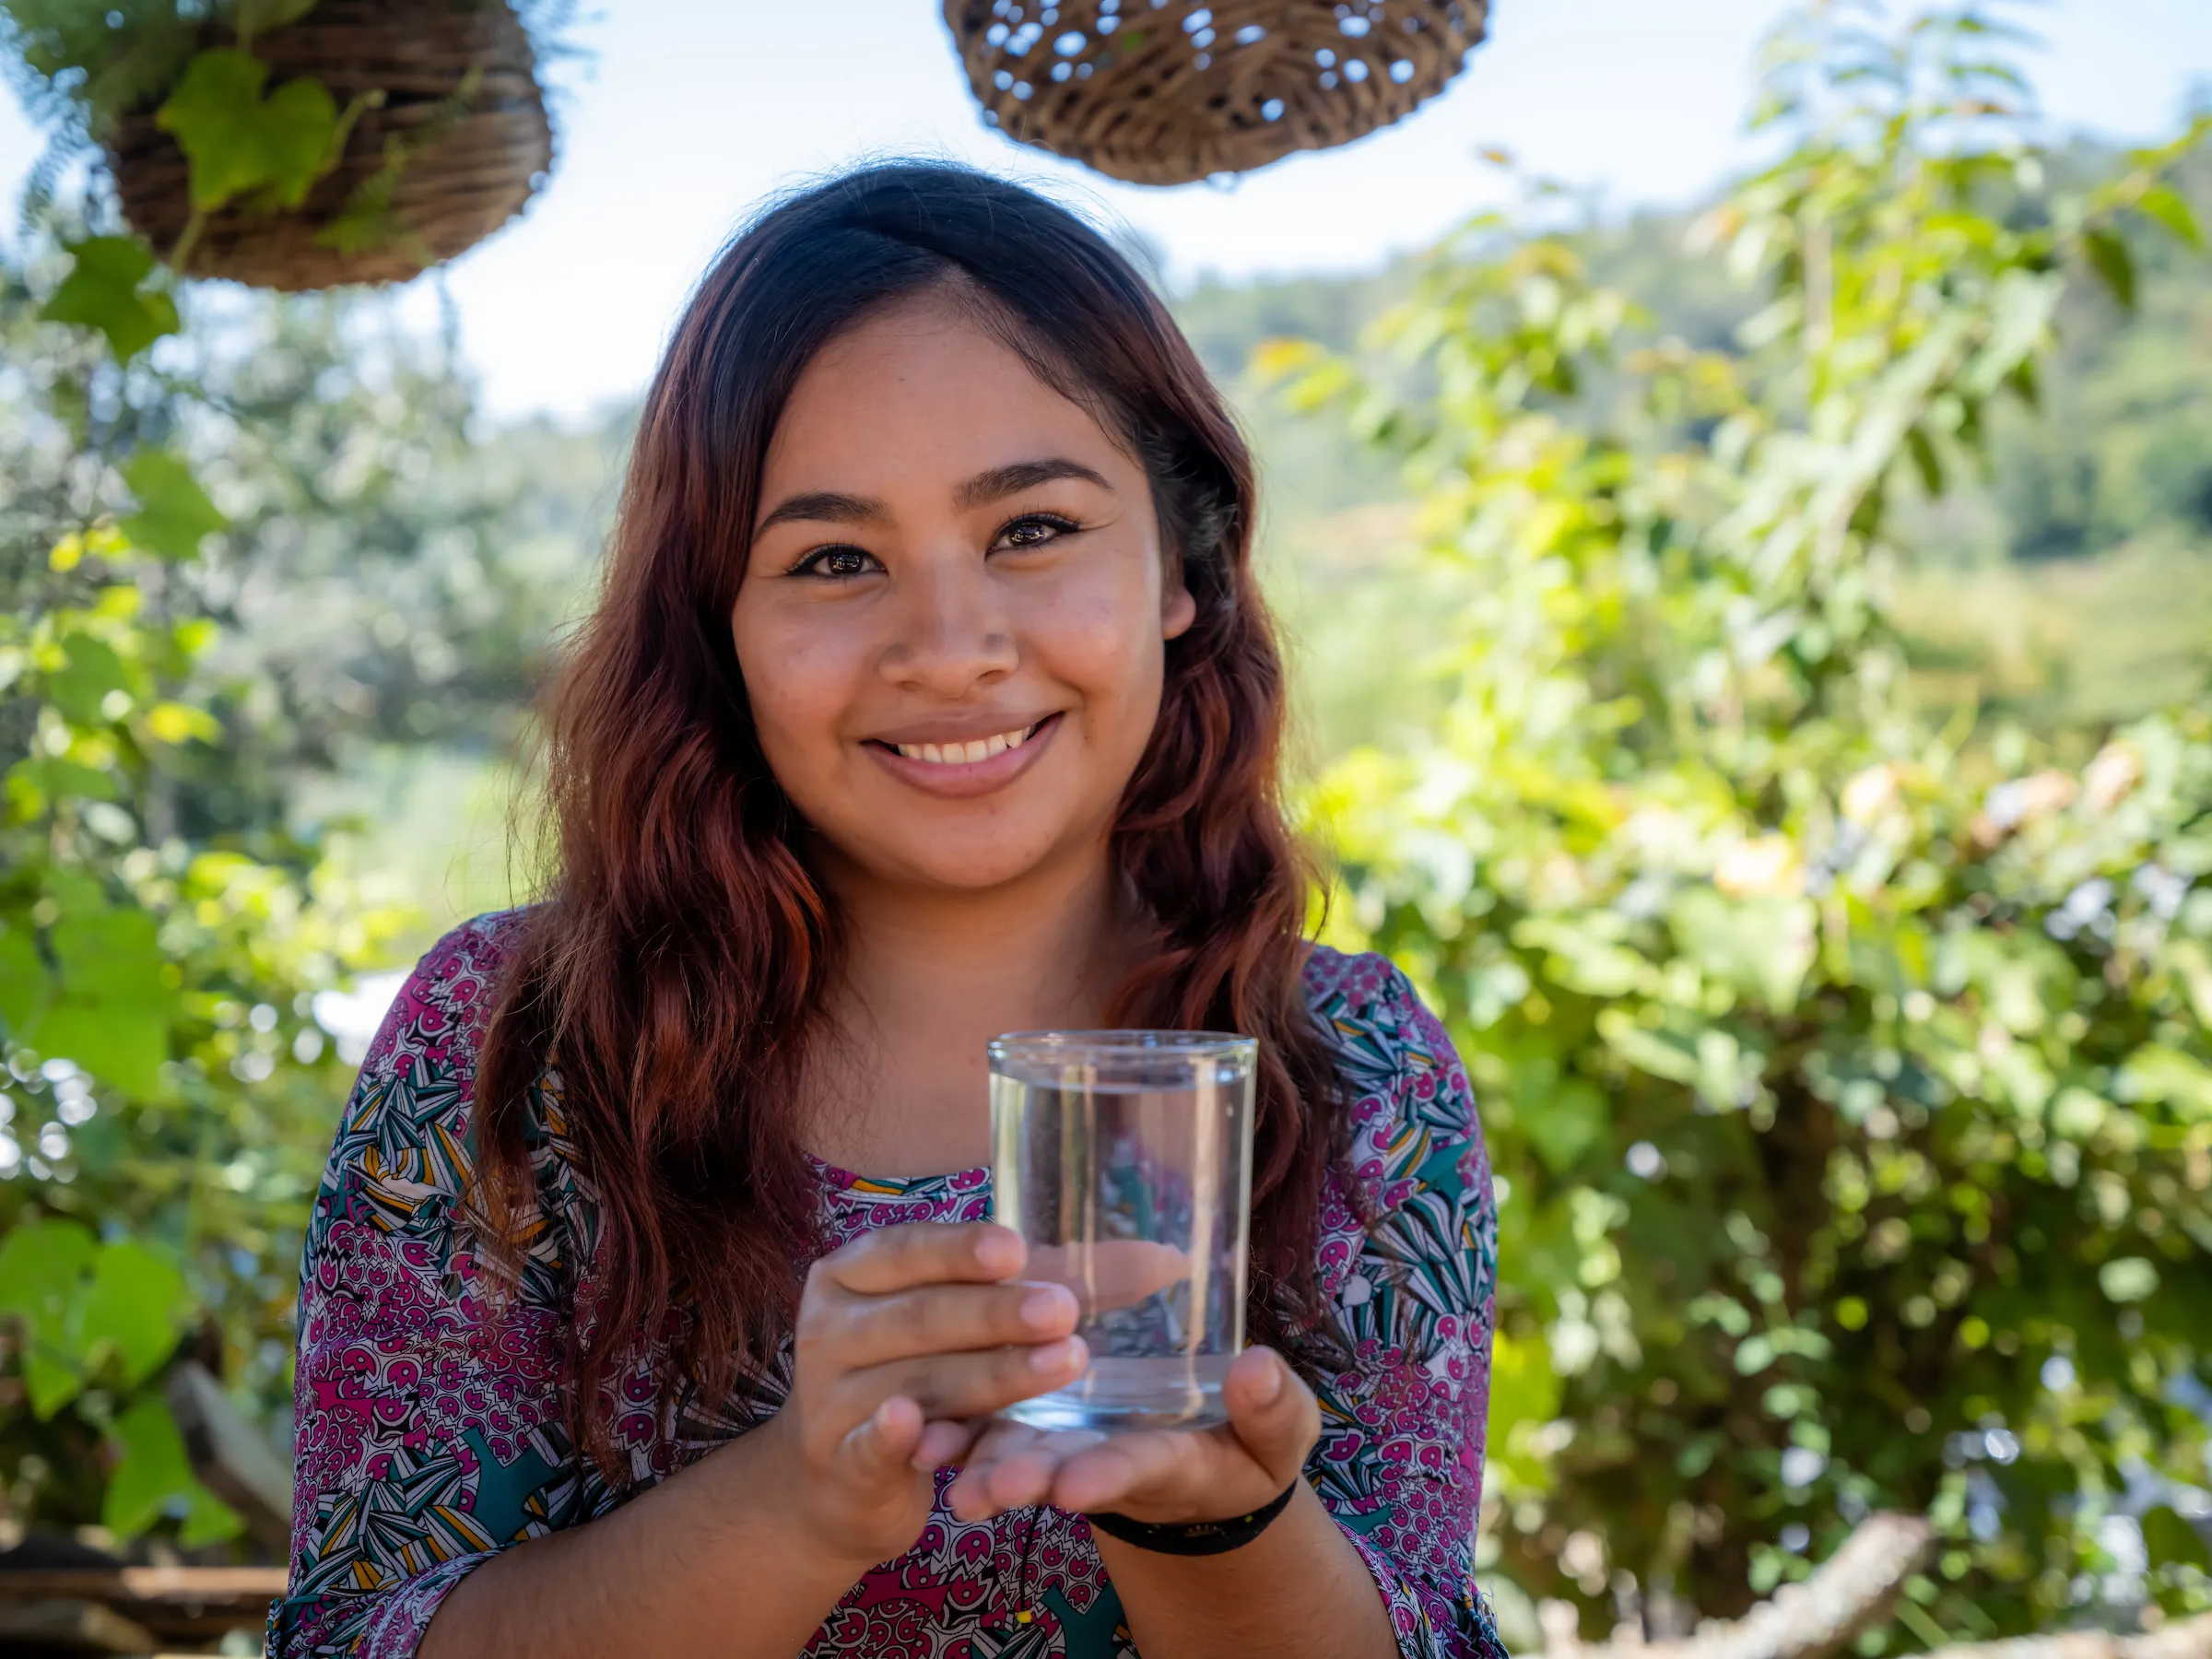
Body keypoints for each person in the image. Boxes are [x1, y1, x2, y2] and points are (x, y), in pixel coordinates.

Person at [265, 162, 1504, 1659]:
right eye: (835, 559)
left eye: (1034, 529)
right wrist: (793, 1503)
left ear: (1184, 565)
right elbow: (355, 1641)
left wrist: (1215, 1524)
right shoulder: (511, 1049)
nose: (951, 646)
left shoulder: (1349, 1074)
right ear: (714, 624)